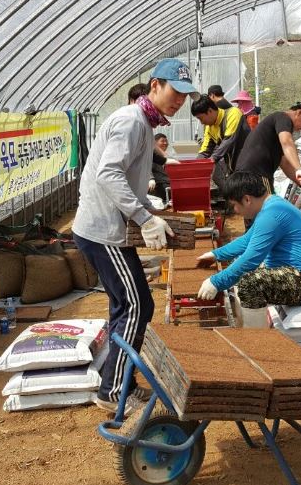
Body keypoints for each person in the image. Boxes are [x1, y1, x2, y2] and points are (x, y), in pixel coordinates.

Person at [72, 58, 197, 415]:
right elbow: (109, 175)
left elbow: (128, 178)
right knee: (138, 304)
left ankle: (118, 382)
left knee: (125, 307)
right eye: (175, 92)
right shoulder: (130, 122)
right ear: (155, 85)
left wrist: (152, 212)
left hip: (107, 228)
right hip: (103, 232)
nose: (180, 101)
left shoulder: (142, 122)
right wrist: (144, 218)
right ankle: (111, 392)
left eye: (185, 95)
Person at [196, 171, 301, 321]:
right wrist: (215, 255)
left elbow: (251, 258)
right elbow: (246, 241)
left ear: (246, 199)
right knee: (237, 267)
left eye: (234, 205)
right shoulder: (272, 206)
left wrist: (216, 282)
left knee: (249, 283)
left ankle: (256, 339)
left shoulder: (272, 214)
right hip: (300, 276)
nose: (236, 212)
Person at [234, 102, 301, 193]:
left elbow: (285, 163)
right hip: (257, 174)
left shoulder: (276, 129)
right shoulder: (283, 118)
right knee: (268, 205)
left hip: (245, 174)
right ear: (300, 113)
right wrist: (299, 169)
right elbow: (287, 142)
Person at [191, 97, 246, 163]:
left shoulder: (233, 114)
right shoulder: (209, 127)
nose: (201, 122)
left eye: (200, 118)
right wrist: (195, 164)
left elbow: (228, 141)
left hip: (248, 161)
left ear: (209, 111)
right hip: (233, 164)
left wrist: (213, 158)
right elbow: (205, 151)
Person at [148, 133, 172, 202]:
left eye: (166, 141)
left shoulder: (166, 157)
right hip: (157, 186)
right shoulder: (150, 155)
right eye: (163, 141)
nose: (165, 143)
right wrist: (151, 179)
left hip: (167, 184)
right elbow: (145, 167)